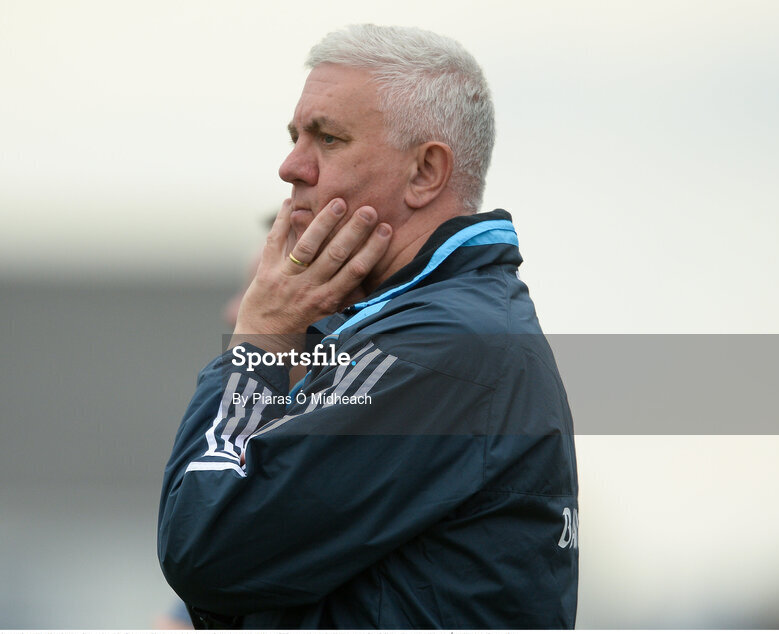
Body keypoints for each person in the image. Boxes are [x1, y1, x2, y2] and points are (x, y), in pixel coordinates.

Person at [157, 24, 578, 629]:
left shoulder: (438, 349)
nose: (291, 166)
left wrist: (262, 339)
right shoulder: (428, 328)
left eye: (328, 138)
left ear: (426, 172)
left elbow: (206, 549)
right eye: (294, 136)